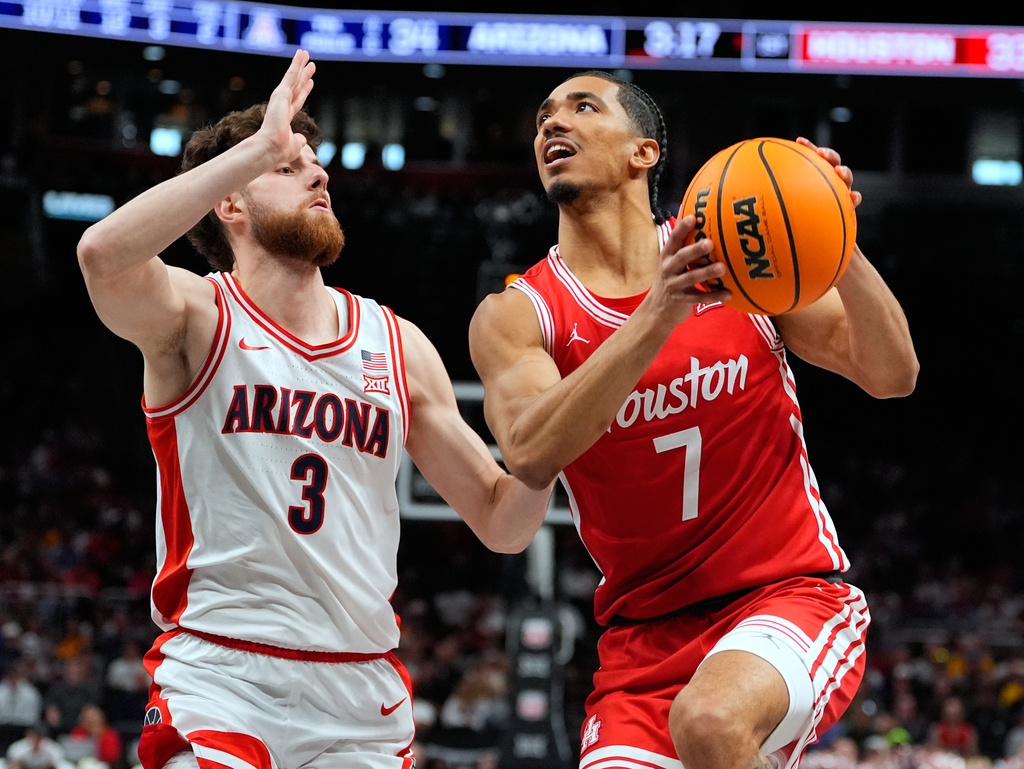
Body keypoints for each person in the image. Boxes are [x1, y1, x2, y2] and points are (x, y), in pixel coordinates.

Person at [76, 49, 553, 769]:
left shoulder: (397, 343)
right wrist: (258, 145)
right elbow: (101, 255)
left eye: (311, 161)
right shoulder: (194, 316)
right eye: (288, 165)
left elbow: (500, 521)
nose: (318, 172)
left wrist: (546, 452)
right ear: (230, 201)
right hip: (221, 673)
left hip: (358, 690)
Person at [468, 71, 919, 769]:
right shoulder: (520, 314)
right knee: (696, 719)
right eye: (543, 118)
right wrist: (660, 312)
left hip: (784, 597)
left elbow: (894, 376)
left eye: (582, 107)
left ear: (642, 152)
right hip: (640, 643)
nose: (552, 124)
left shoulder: (739, 257)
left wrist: (837, 232)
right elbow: (527, 451)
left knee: (710, 720)